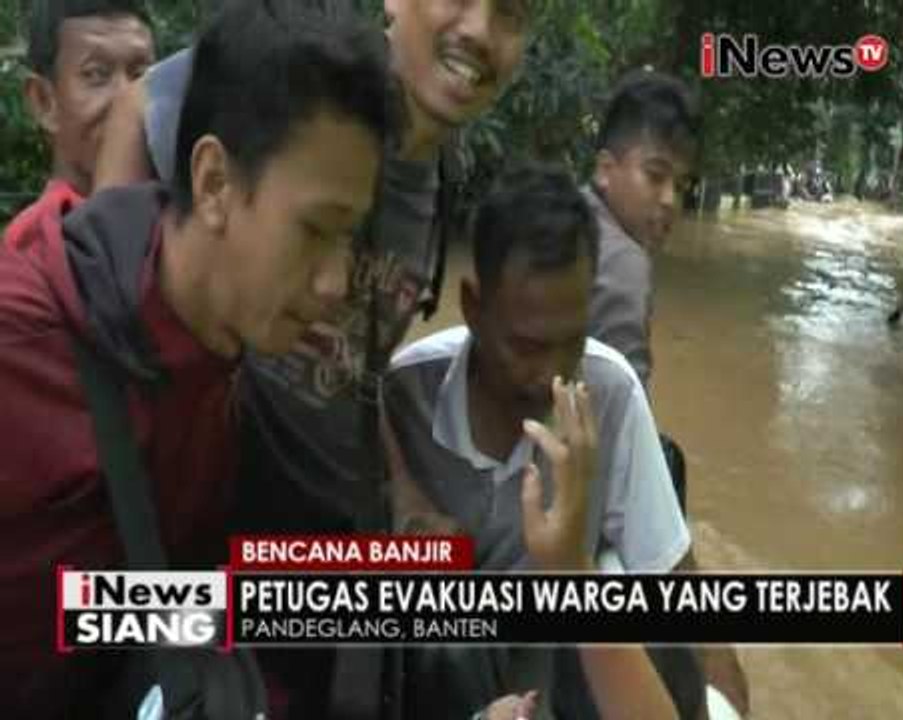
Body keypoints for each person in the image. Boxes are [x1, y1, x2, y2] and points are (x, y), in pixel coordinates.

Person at [93, 0, 533, 713]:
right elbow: (137, 106)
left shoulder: (439, 181)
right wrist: (111, 333)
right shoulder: (311, 87)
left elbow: (356, 369)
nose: (481, 31)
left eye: (513, 14)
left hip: (334, 514)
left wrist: (408, 496)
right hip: (226, 507)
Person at [0, 1, 395, 716]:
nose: (337, 283)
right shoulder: (24, 339)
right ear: (213, 181)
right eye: (314, 231)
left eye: (351, 239)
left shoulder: (230, 358)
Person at [382, 165, 687, 719]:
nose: (548, 373)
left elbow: (672, 579)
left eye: (570, 342)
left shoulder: (610, 391)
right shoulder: (406, 394)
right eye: (524, 346)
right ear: (473, 307)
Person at [583, 70, 750, 718]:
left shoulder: (571, 225)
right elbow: (632, 447)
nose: (671, 199)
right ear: (606, 168)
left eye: (681, 183)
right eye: (655, 175)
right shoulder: (623, 266)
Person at [3, 0, 155, 251]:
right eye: (96, 74)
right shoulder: (34, 245)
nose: (127, 99)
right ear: (44, 102)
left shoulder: (184, 215)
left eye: (140, 75)